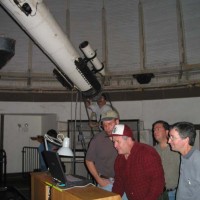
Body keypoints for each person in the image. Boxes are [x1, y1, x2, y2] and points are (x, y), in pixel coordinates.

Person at [110, 124, 165, 200]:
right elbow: (119, 183)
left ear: (128, 140)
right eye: (114, 142)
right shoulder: (119, 160)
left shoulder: (147, 153)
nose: (115, 145)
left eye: (117, 141)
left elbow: (157, 183)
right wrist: (113, 198)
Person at [85, 110, 127, 199]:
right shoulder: (97, 140)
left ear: (117, 121)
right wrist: (99, 180)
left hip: (126, 183)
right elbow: (88, 160)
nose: (107, 127)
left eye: (110, 124)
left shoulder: (127, 137)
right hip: (107, 183)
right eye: (104, 125)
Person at [168, 122, 200, 200]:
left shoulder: (197, 160)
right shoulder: (184, 156)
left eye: (172, 137)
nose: (169, 141)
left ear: (186, 140)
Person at [152, 120, 180, 200]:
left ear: (167, 132)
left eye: (158, 129)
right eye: (154, 130)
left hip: (174, 193)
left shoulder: (176, 148)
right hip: (157, 193)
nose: (155, 132)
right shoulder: (152, 150)